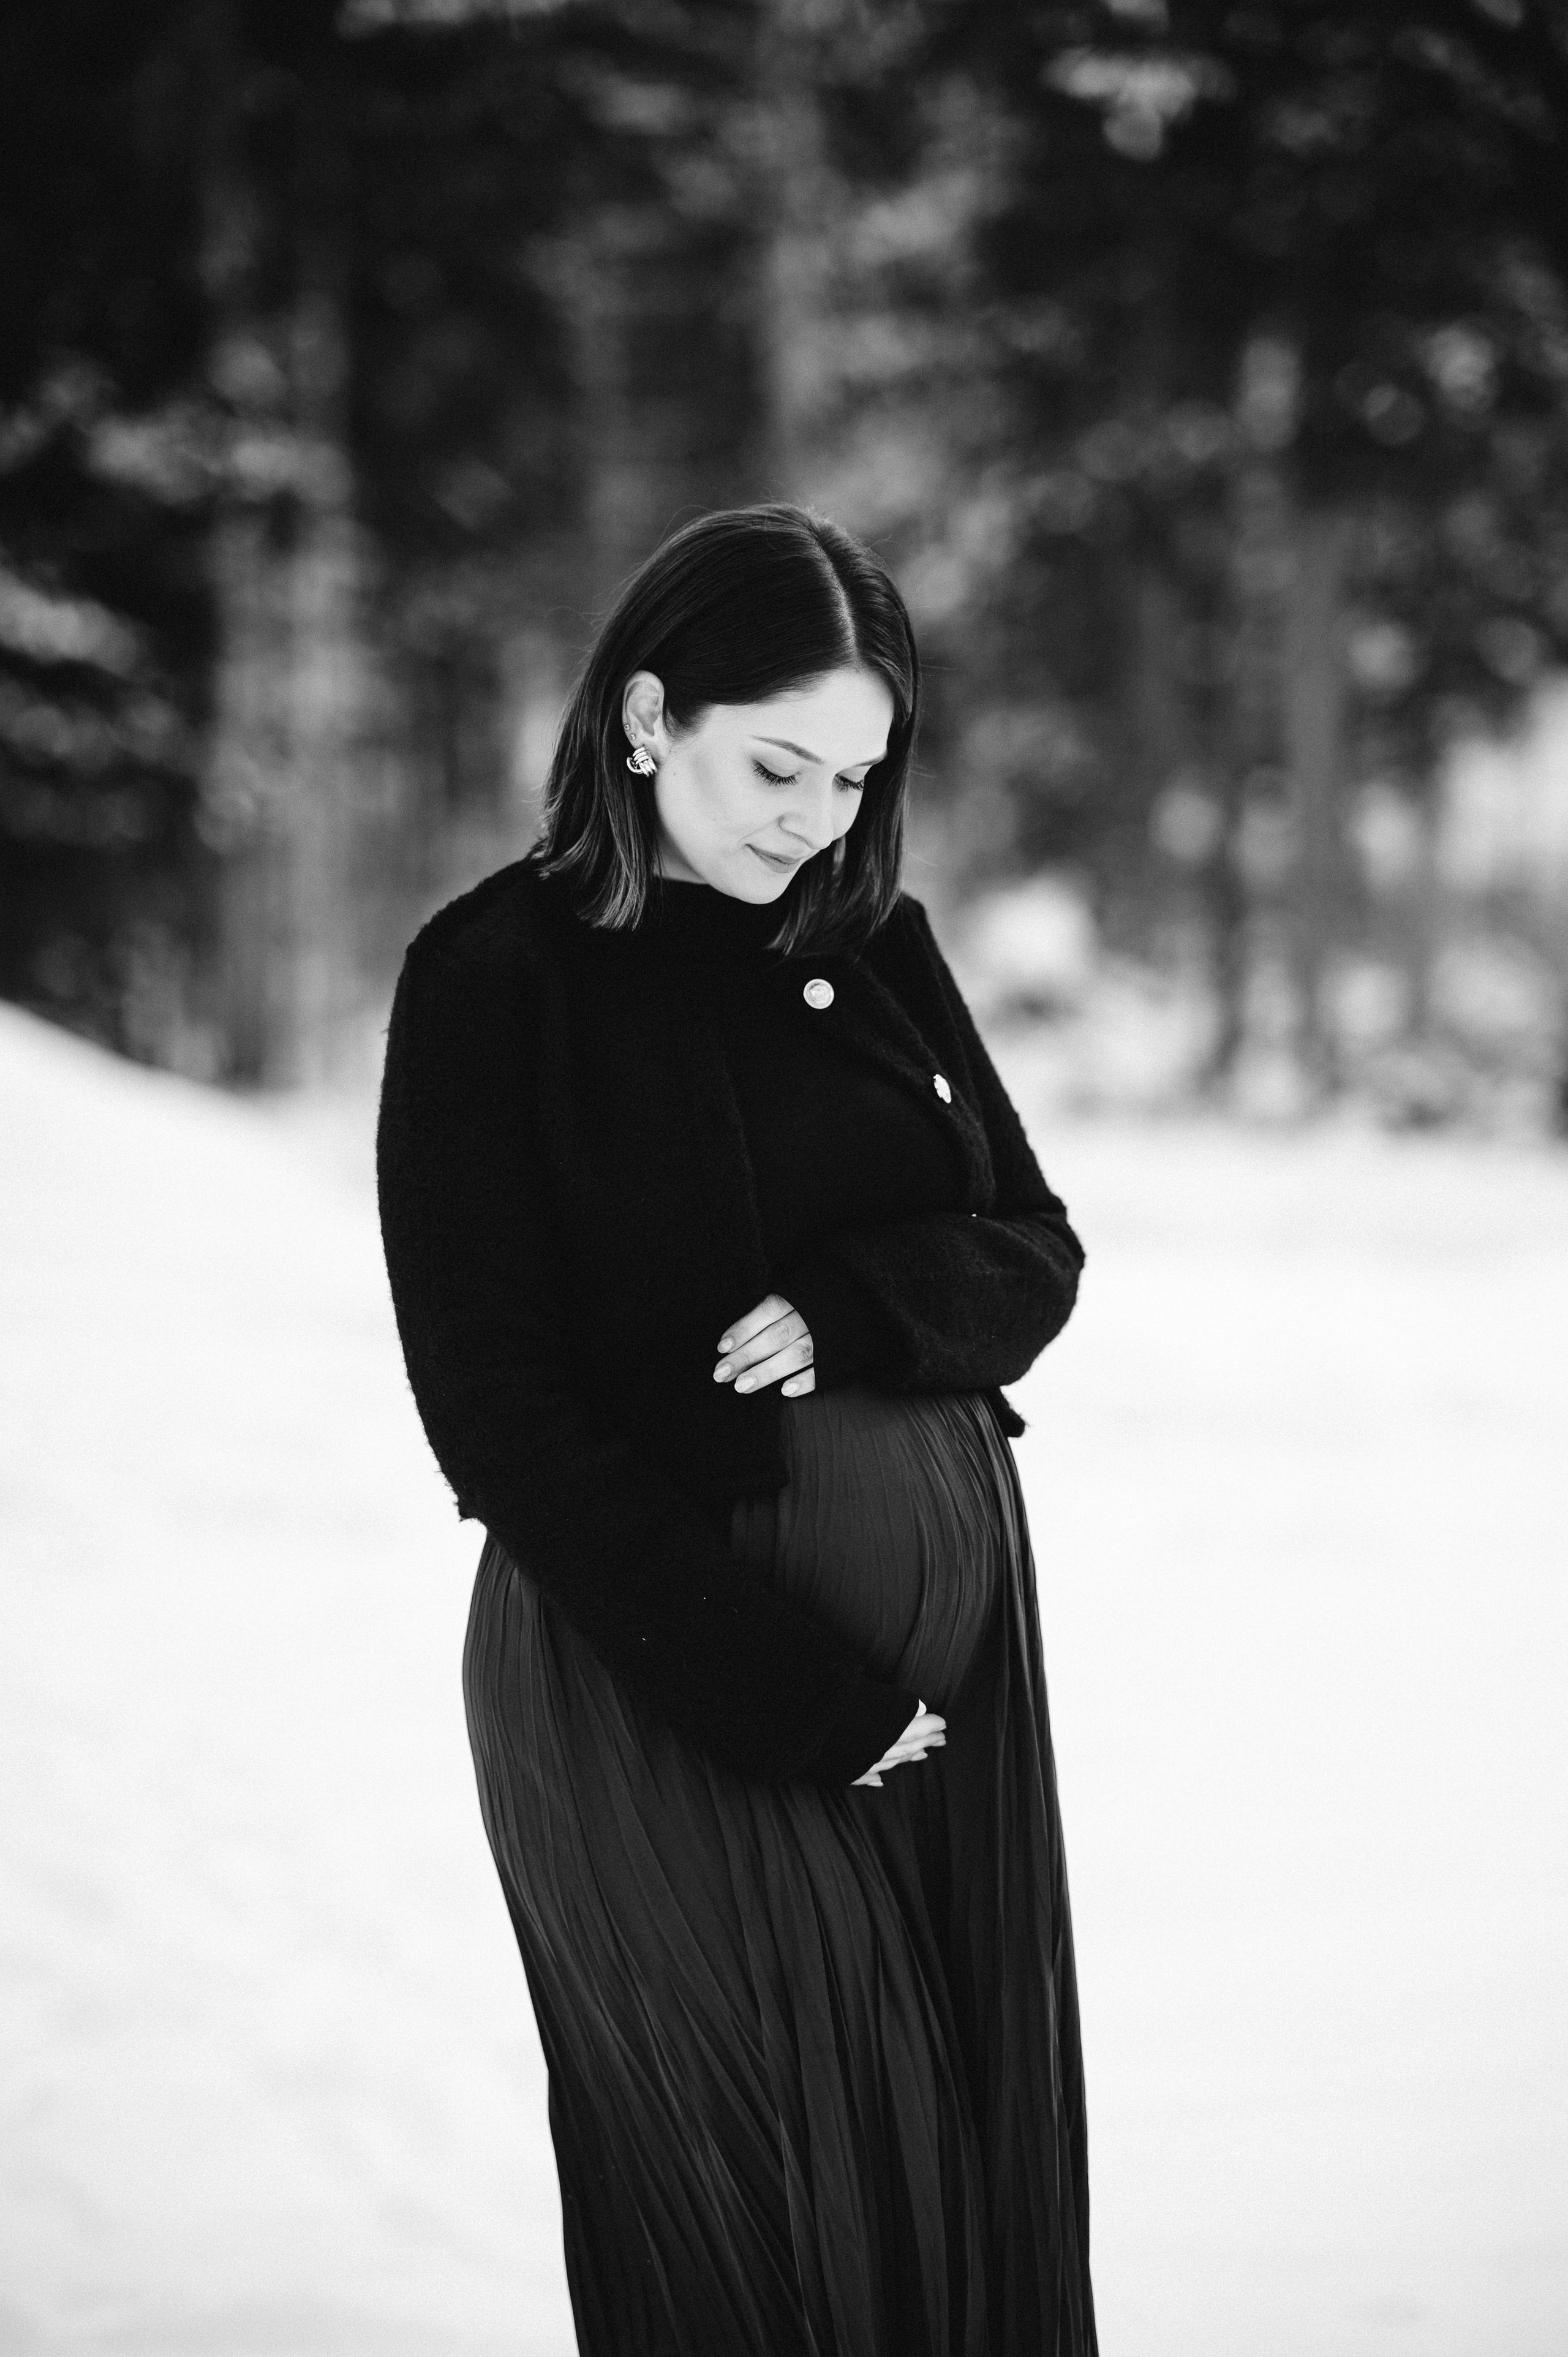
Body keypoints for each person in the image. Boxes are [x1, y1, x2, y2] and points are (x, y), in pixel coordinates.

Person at [375, 504, 1096, 2356]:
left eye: (856, 778)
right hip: (669, 1685)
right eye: (779, 764)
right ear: (644, 718)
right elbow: (496, 1415)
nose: (817, 818)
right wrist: (790, 1694)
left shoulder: (878, 942)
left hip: (947, 1712)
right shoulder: (496, 977)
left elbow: (1032, 1250)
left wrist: (866, 1306)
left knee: (957, 2227)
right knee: (769, 2239)